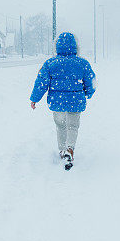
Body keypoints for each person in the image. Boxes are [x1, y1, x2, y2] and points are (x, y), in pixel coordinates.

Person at [29, 32, 96, 166]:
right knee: (73, 126)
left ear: (57, 46)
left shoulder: (50, 63)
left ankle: (61, 150)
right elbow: (91, 81)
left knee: (60, 126)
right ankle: (70, 148)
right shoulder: (82, 63)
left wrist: (35, 98)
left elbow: (41, 82)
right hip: (75, 101)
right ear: (75, 46)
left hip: (57, 101)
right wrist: (88, 93)